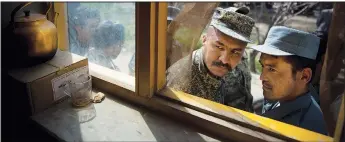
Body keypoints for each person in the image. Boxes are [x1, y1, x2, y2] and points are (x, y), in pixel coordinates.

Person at [166, 7, 255, 112]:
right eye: (219, 47)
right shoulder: (180, 76)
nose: (225, 60)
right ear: (204, 40)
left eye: (235, 52)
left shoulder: (241, 65)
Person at [250, 26, 328, 135]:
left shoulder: (307, 129)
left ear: (304, 76)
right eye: (262, 66)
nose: (262, 77)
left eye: (272, 69)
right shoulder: (280, 96)